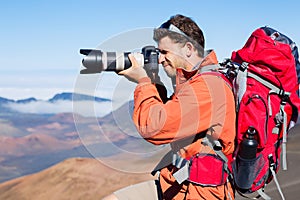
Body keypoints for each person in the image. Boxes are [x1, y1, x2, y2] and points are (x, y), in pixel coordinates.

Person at [103, 14, 236, 200]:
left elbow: (154, 128)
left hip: (199, 192)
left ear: (188, 49)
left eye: (165, 52)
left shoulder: (207, 88)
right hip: (177, 183)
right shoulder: (192, 82)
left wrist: (143, 80)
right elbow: (169, 114)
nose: (161, 59)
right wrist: (153, 80)